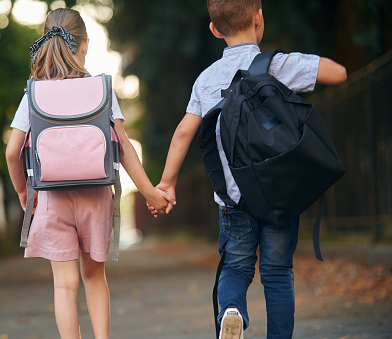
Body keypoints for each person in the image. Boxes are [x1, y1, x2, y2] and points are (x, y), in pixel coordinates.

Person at [149, 1, 347, 338]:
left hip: (233, 198)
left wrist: (166, 183)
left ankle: (232, 311)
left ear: (214, 30)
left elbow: (184, 131)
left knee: (236, 267)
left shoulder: (206, 79)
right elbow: (338, 73)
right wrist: (295, 66)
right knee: (278, 272)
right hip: (280, 194)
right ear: (259, 18)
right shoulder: (277, 65)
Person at [5, 8, 174, 339]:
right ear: (84, 45)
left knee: (65, 285)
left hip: (51, 198)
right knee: (94, 276)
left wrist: (25, 193)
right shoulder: (101, 90)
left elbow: (12, 151)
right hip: (95, 196)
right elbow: (123, 147)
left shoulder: (34, 93)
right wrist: (151, 191)